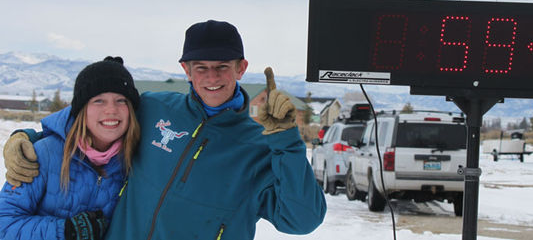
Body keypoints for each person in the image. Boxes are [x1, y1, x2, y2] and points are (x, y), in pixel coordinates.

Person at [3, 20, 327, 239]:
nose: (212, 78)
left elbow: (303, 220)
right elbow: (97, 113)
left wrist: (287, 141)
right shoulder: (154, 108)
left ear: (241, 68)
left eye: (222, 67)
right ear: (185, 70)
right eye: (201, 67)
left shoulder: (260, 145)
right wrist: (30, 137)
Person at [0, 56, 141, 240]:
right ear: (81, 109)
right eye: (99, 100)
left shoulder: (138, 159)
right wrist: (65, 231)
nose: (111, 110)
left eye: (121, 100)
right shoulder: (43, 154)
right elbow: (4, 224)